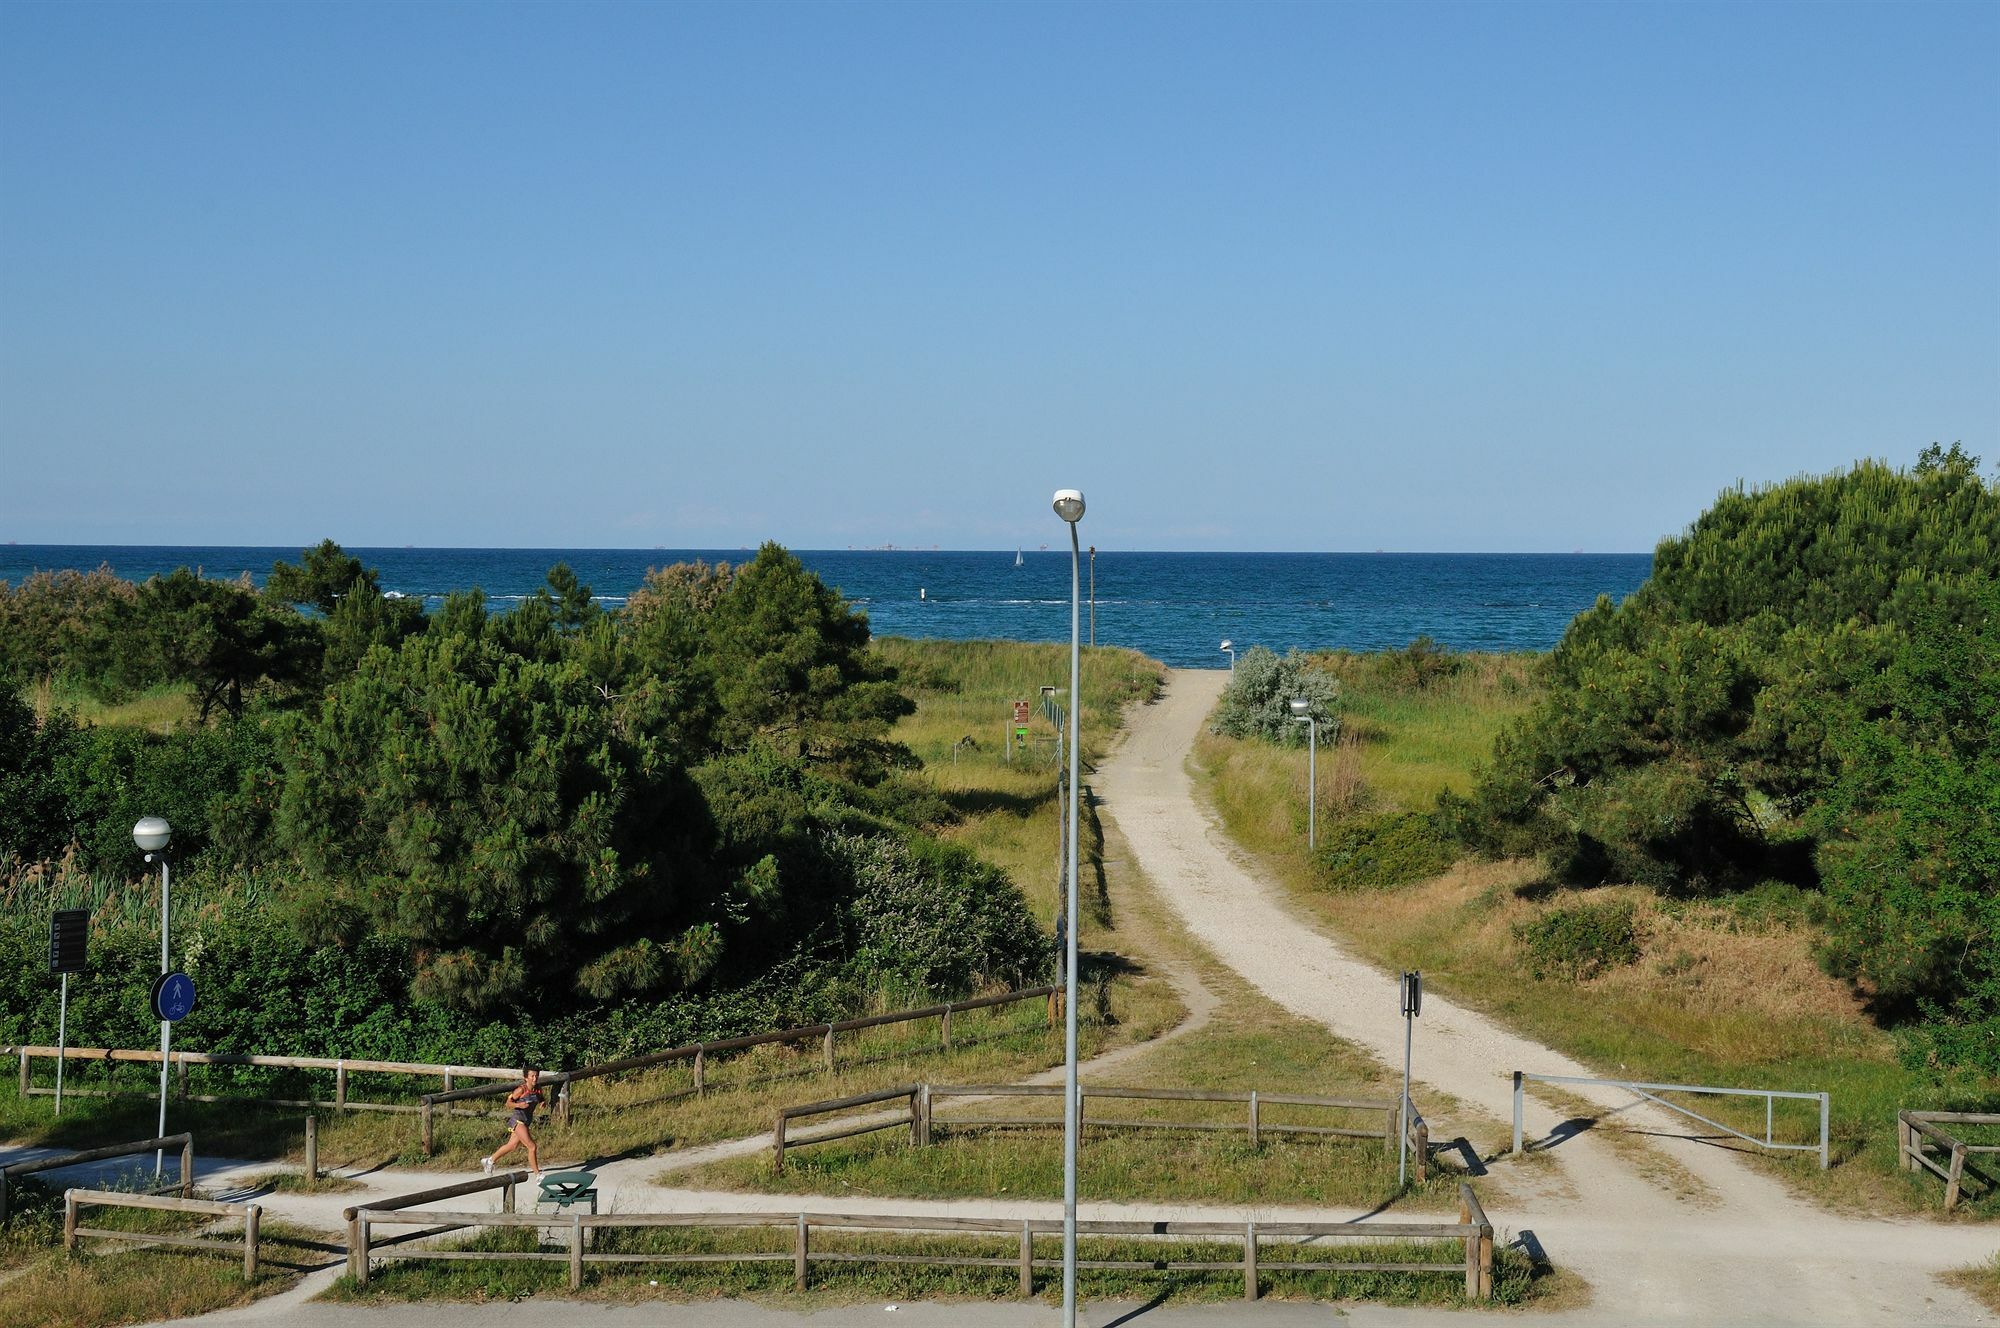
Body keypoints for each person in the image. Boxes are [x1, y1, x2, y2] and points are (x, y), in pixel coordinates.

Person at [482, 1066, 544, 1175]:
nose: (535, 1078)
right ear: (526, 1078)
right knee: (532, 1146)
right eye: (532, 1076)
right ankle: (538, 1175)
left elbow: (540, 1098)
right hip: (518, 1120)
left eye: (536, 1076)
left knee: (512, 1146)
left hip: (526, 1121)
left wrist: (542, 1103)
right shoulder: (521, 1090)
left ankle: (490, 1161)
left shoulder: (538, 1089)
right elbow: (508, 1103)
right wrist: (519, 1104)